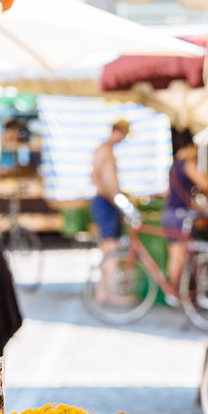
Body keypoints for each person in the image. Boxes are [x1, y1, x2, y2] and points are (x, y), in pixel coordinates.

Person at [162, 142, 208, 295]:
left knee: (174, 253)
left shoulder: (174, 165)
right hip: (179, 214)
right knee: (179, 253)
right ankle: (173, 291)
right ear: (190, 147)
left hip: (169, 211)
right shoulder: (186, 164)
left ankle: (172, 290)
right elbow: (206, 184)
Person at [90, 119, 130, 302]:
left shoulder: (108, 150)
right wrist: (112, 196)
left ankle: (103, 292)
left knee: (108, 248)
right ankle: (111, 293)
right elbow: (95, 176)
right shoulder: (104, 150)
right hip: (105, 201)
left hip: (108, 201)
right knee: (111, 248)